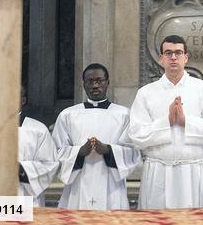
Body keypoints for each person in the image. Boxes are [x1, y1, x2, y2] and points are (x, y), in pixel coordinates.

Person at [127, 35, 203, 208]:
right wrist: (167, 122)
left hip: (193, 172)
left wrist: (185, 121)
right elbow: (136, 136)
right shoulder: (146, 93)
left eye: (178, 53)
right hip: (158, 173)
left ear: (186, 57)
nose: (173, 57)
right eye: (168, 53)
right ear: (161, 58)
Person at [52, 63, 140, 209]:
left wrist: (108, 150)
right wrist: (78, 152)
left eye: (99, 81)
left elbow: (134, 152)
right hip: (78, 185)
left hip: (112, 185)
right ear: (84, 84)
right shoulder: (68, 115)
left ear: (107, 82)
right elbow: (55, 151)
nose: (95, 85)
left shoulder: (124, 114)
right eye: (90, 81)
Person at [18, 85, 58, 206]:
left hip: (26, 198)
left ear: (23, 100)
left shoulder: (38, 129)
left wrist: (21, 169)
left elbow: (50, 165)